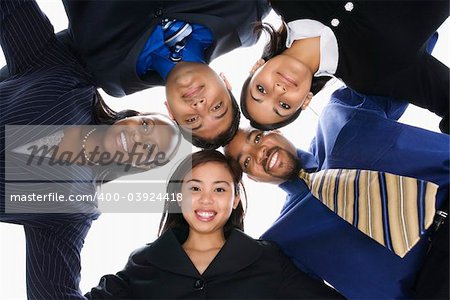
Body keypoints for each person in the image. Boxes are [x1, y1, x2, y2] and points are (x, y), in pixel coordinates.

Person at [0, 1, 180, 299]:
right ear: (132, 117)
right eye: (147, 126)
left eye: (151, 151)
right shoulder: (65, 76)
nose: (140, 141)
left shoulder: (74, 208)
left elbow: (53, 293)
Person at [224, 87, 450, 298]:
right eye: (246, 162)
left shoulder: (339, 114)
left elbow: (402, 64)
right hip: (434, 286)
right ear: (252, 178)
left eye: (256, 138)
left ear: (275, 128)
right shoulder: (283, 241)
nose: (259, 152)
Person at [86, 150, 343, 299]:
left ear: (235, 200)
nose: (207, 199)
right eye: (195, 188)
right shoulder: (144, 261)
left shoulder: (267, 258)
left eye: (219, 189)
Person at [59, 0, 271, 149]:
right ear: (226, 83)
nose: (199, 105)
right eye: (217, 107)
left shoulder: (108, 75)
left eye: (192, 119)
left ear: (170, 112)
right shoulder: (247, 18)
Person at [240, 0, 449, 133]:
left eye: (261, 90)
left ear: (257, 67)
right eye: (284, 106)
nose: (278, 91)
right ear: (305, 102)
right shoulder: (372, 76)